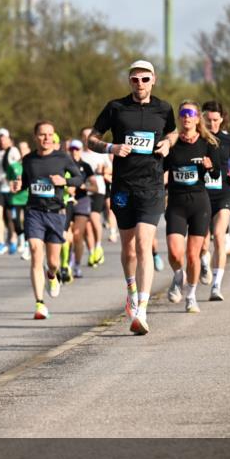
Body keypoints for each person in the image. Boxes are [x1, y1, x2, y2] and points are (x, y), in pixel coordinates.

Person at [88, 60, 177, 334]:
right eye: (135, 79)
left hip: (151, 187)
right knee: (128, 249)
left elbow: (172, 132)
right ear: (129, 81)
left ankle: (142, 309)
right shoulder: (115, 107)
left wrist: (168, 142)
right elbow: (92, 138)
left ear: (154, 80)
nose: (140, 84)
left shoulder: (163, 109)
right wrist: (111, 147)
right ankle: (131, 288)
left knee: (143, 243)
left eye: (145, 79)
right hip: (123, 187)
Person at [11, 121, 84, 319]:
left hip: (55, 213)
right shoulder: (28, 160)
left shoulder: (62, 158)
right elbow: (26, 182)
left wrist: (65, 181)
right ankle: (39, 304)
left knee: (52, 262)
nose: (46, 138)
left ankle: (52, 275)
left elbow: (80, 178)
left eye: (50, 134)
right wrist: (18, 185)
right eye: (42, 134)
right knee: (35, 250)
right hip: (34, 212)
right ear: (35, 137)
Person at [162, 102, 219, 314]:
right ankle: (178, 276)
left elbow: (216, 174)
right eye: (183, 113)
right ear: (179, 118)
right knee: (175, 254)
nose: (187, 117)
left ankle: (191, 295)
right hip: (176, 203)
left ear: (197, 119)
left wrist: (210, 166)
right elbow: (161, 170)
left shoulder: (208, 143)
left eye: (191, 113)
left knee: (192, 255)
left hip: (199, 204)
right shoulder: (171, 144)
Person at [199, 100, 230, 300]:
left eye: (216, 120)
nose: (212, 124)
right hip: (200, 195)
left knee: (219, 236)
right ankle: (204, 263)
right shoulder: (196, 139)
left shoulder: (228, 140)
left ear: (222, 119)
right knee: (202, 243)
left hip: (223, 193)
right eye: (208, 120)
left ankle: (216, 286)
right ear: (202, 118)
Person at [79, 127, 110, 266]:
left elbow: (111, 168)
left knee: (94, 217)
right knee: (86, 226)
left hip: (98, 190)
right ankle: (92, 252)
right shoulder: (80, 154)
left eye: (88, 135)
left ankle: (98, 246)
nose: (86, 138)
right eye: (84, 136)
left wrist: (102, 170)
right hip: (83, 191)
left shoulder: (101, 153)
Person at [67, 139, 96, 279]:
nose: (74, 152)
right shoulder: (63, 165)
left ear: (80, 150)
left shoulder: (86, 166)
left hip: (82, 201)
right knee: (67, 237)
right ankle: (67, 262)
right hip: (66, 201)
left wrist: (84, 186)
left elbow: (95, 187)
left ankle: (77, 265)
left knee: (78, 236)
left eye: (76, 149)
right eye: (71, 149)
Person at [0, 128, 22, 256]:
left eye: (4, 137)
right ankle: (0, 243)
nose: (2, 140)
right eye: (0, 137)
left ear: (8, 138)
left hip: (10, 189)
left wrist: (15, 182)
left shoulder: (13, 151)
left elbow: (19, 168)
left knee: (11, 217)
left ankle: (13, 240)